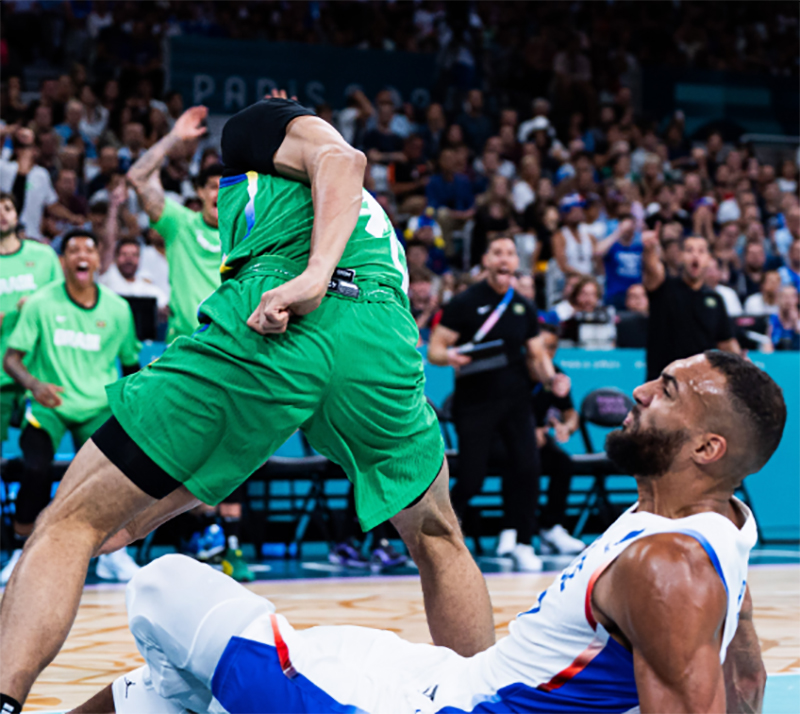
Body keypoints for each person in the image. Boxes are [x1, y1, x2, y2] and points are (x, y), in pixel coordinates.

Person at [0, 96, 495, 710]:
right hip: (381, 339)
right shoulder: (356, 222)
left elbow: (344, 156)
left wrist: (313, 277)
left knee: (69, 522)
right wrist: (146, 514)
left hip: (281, 313)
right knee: (439, 538)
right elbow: (247, 440)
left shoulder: (262, 125)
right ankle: (486, 703)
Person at [72, 351, 783, 714]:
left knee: (162, 586)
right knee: (171, 680)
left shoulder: (668, 566)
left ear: (707, 450)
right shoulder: (724, 524)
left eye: (667, 392)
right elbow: (746, 673)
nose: (640, 392)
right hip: (444, 680)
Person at [1, 229, 141, 586]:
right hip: (49, 405)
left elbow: (130, 367)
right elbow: (12, 359)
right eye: (73, 250)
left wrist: (131, 410)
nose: (81, 255)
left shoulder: (118, 308)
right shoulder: (40, 303)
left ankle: (115, 554)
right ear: (62, 262)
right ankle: (21, 550)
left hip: (96, 405)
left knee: (118, 474)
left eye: (89, 249)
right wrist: (34, 384)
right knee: (34, 468)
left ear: (97, 261)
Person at [428, 236, 565, 572]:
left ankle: (523, 541)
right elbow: (434, 350)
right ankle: (438, 536)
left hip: (516, 401)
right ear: (486, 260)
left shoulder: (524, 306)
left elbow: (536, 352)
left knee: (528, 468)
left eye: (510, 254)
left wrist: (552, 380)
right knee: (472, 477)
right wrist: (450, 356)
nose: (505, 260)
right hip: (474, 403)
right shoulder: (463, 302)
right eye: (498, 253)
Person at [126, 114, 223, 341]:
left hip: (226, 349)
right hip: (183, 345)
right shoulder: (180, 223)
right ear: (199, 192)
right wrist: (174, 137)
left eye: (225, 187)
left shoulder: (244, 233)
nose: (218, 193)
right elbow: (138, 176)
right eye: (211, 187)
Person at [0, 193, 61, 445]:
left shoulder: (44, 256)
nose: (2, 214)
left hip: (39, 373)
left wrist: (37, 307)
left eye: (7, 208)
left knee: (37, 459)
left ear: (17, 215)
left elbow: (64, 306)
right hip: (1, 378)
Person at [642, 225, 740, 381]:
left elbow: (726, 342)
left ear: (708, 259)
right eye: (689, 250)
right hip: (662, 382)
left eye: (701, 251)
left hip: (697, 385)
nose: (695, 255)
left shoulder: (715, 299)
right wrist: (649, 249)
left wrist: (742, 364)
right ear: (681, 256)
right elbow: (653, 270)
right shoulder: (663, 287)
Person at [528, 323, 585, 554]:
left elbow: (571, 413)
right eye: (542, 347)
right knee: (523, 462)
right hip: (504, 438)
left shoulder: (557, 376)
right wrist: (527, 431)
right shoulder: (515, 372)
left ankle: (551, 527)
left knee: (562, 462)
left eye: (552, 347)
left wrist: (566, 427)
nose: (547, 353)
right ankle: (512, 532)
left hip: (539, 440)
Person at [593, 209, 642, 310]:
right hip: (615, 296)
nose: (628, 229)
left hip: (636, 296)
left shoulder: (639, 247)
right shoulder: (613, 247)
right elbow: (597, 252)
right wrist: (618, 232)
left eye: (632, 225)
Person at [768, 285, 800, 351]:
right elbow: (769, 342)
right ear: (778, 299)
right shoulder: (774, 318)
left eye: (792, 297)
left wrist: (796, 321)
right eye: (785, 297)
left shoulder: (798, 319)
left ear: (797, 299)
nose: (788, 300)